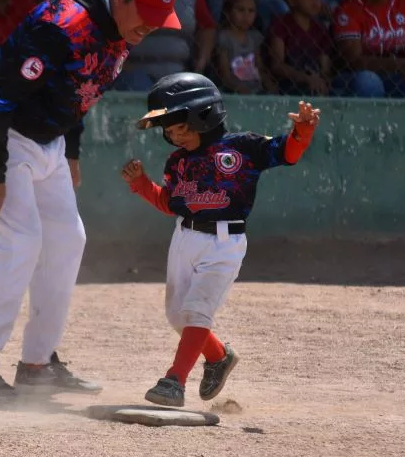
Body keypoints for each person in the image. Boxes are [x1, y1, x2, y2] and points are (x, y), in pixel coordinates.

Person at [0, 0, 182, 400]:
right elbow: (1, 97)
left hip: (46, 140)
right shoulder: (63, 25)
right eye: (146, 16)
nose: (149, 28)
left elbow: (80, 87)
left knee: (66, 240)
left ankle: (38, 364)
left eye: (158, 20)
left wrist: (69, 150)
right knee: (19, 243)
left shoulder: (124, 25)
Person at [120, 73, 319, 407]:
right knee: (177, 316)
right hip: (184, 237)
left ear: (204, 115)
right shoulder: (177, 162)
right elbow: (170, 204)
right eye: (168, 131)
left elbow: (288, 152)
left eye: (179, 126)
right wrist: (142, 184)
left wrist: (304, 129)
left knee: (198, 310)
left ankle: (174, 382)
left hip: (224, 243)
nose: (173, 136)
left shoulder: (244, 147)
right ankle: (218, 357)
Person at [267, 0, 334, 95]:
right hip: (289, 82)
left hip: (316, 81)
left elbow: (325, 68)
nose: (315, 1)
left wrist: (322, 79)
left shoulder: (320, 29)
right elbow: (277, 65)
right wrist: (305, 78)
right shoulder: (281, 24)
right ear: (292, 0)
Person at [215, 0, 276, 94]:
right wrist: (239, 88)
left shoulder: (255, 37)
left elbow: (259, 67)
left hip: (257, 90)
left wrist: (269, 85)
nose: (246, 15)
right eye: (240, 10)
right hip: (232, 91)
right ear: (227, 12)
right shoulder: (224, 37)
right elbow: (224, 74)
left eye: (251, 11)